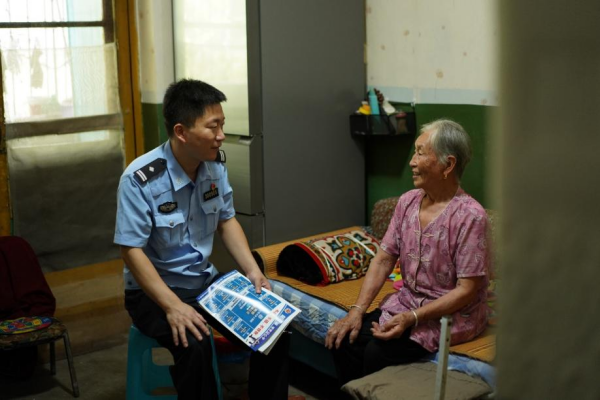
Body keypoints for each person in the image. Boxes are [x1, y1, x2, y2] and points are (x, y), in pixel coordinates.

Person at [114, 79, 301, 400]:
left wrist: (253, 270)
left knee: (276, 329)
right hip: (153, 294)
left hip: (205, 285)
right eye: (213, 127)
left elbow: (226, 221)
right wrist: (172, 306)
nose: (221, 136)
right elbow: (131, 250)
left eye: (223, 125)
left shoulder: (214, 167)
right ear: (182, 131)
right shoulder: (140, 178)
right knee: (195, 341)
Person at [325, 119, 490, 387]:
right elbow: (383, 259)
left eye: (421, 153)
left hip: (451, 314)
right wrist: (357, 311)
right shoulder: (407, 202)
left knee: (376, 353)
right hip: (407, 303)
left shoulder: (470, 216)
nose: (412, 161)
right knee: (344, 339)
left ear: (448, 165)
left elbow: (467, 290)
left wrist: (413, 318)